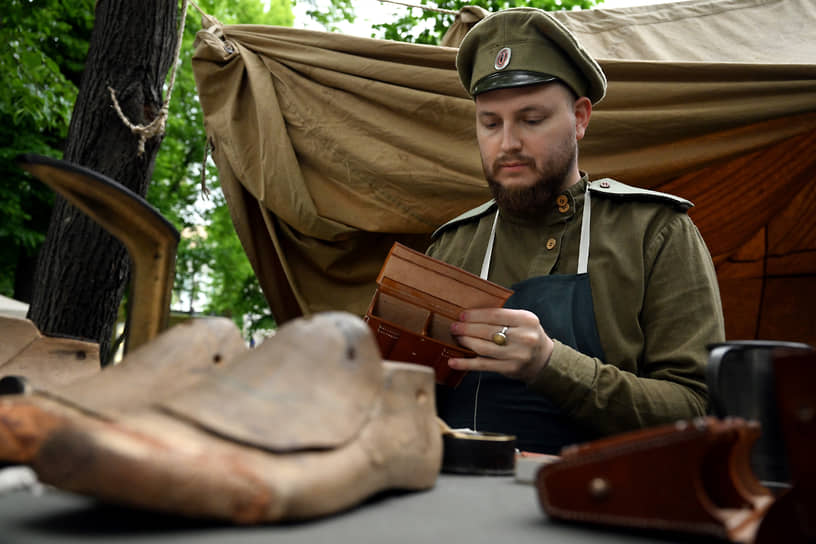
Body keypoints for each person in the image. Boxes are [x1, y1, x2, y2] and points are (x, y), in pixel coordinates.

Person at [428, 8, 725, 454]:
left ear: (581, 118)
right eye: (490, 123)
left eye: (531, 120)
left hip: (602, 507)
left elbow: (699, 409)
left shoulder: (655, 233)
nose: (507, 143)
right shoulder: (450, 246)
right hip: (455, 508)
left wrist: (549, 364)